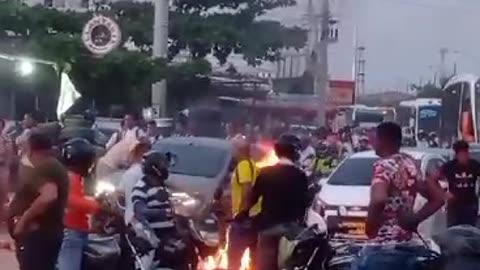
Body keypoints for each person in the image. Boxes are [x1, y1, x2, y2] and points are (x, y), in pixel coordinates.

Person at [352, 122, 444, 270]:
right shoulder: (409, 164)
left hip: (383, 248)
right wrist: (415, 219)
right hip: (407, 245)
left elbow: (378, 199)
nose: (372, 142)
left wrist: (370, 226)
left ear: (384, 140)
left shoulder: (383, 165)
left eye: (375, 137)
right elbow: (439, 198)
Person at [244, 134, 309, 270]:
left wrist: (246, 216)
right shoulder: (300, 176)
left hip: (268, 227)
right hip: (291, 231)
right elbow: (304, 204)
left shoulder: (265, 173)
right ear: (295, 153)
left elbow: (252, 199)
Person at [7, 131, 69, 270]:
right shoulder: (51, 165)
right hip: (44, 233)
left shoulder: (45, 166)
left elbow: (48, 196)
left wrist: (22, 222)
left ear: (31, 148)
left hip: (39, 234)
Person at [130, 151, 186, 270]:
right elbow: (139, 210)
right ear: (156, 169)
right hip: (154, 237)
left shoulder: (160, 185)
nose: (167, 170)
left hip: (169, 234)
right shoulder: (141, 187)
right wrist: (162, 213)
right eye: (164, 166)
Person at [57, 138, 102, 270]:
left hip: (77, 231)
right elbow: (72, 201)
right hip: (70, 233)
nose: (90, 165)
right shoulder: (70, 177)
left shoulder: (73, 176)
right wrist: (98, 207)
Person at [430, 140, 480, 227]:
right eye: (462, 154)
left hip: (470, 206)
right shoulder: (449, 166)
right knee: (453, 232)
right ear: (457, 155)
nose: (465, 157)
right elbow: (432, 180)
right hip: (454, 206)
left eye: (466, 153)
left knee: (470, 232)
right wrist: (443, 194)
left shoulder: (474, 165)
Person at [228, 138, 260, 270]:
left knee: (234, 259)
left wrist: (242, 212)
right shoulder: (253, 164)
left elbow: (247, 189)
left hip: (245, 219)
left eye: (233, 149)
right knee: (255, 259)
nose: (232, 152)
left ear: (239, 150)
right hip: (256, 217)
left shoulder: (243, 165)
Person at [119, 140, 151, 225]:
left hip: (132, 220)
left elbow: (121, 194)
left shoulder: (129, 174)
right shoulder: (151, 173)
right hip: (148, 220)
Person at [0, 119, 13, 221]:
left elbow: (9, 156)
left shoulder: (6, 139)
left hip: (2, 167)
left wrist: (7, 169)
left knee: (2, 194)